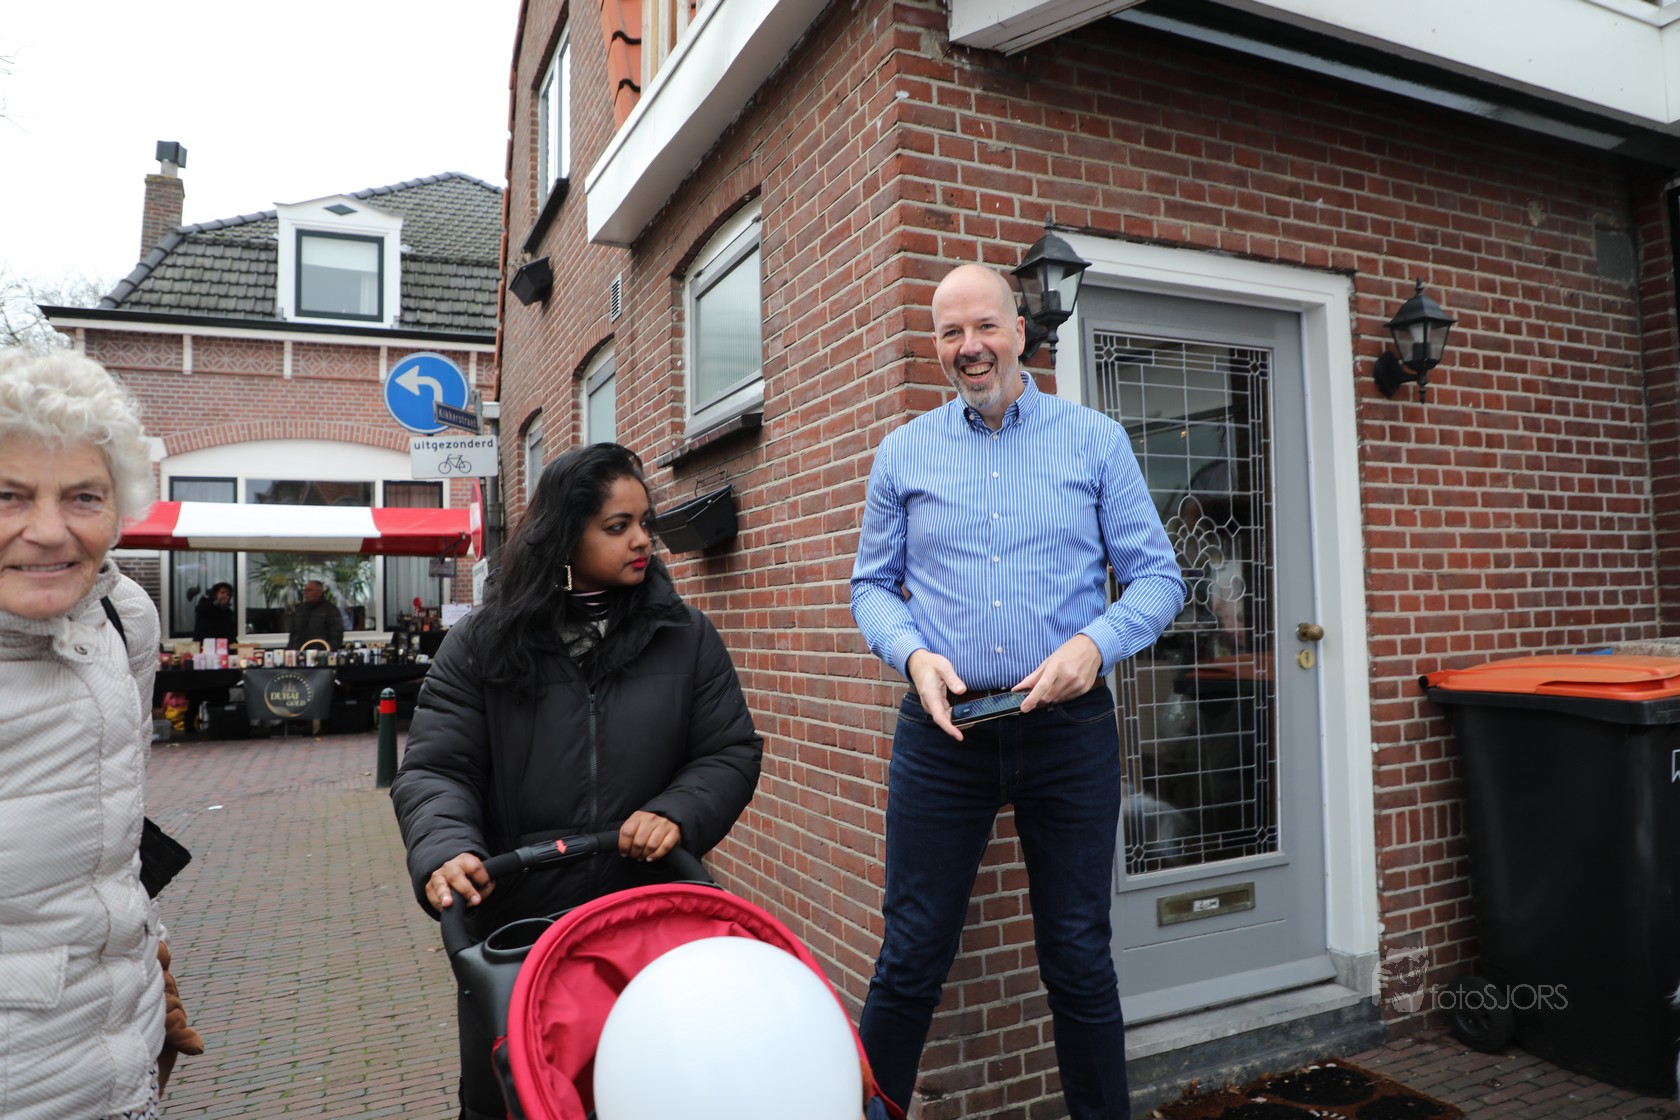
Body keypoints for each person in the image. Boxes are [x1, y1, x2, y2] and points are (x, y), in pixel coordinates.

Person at [849, 264, 1188, 1120]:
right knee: (911, 954)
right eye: (951, 333)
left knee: (1078, 956)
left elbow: (1157, 578)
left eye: (985, 327)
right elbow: (872, 587)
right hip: (945, 732)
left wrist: (1095, 644)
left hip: (1068, 731)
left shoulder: (1095, 441)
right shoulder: (903, 452)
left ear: (1020, 331)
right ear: (936, 346)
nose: (970, 347)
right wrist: (911, 656)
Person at [390, 442, 763, 1120]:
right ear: (564, 537)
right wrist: (446, 850)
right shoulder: (481, 643)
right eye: (618, 526)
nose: (642, 540)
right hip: (517, 935)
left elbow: (727, 750)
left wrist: (677, 811)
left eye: (644, 522)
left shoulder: (685, 636)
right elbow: (438, 768)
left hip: (646, 925)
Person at [0, 348, 202, 1120]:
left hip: (126, 1062)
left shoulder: (125, 620)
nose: (48, 531)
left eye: (83, 496)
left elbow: (114, 819)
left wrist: (145, 955)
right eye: (8, 495)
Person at [285, 578, 342, 650]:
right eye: (305, 590)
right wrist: (291, 649)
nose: (306, 593)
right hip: (299, 651)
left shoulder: (330, 610)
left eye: (309, 590)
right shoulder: (300, 610)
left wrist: (327, 651)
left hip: (321, 652)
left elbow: (336, 636)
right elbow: (293, 634)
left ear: (319, 592)